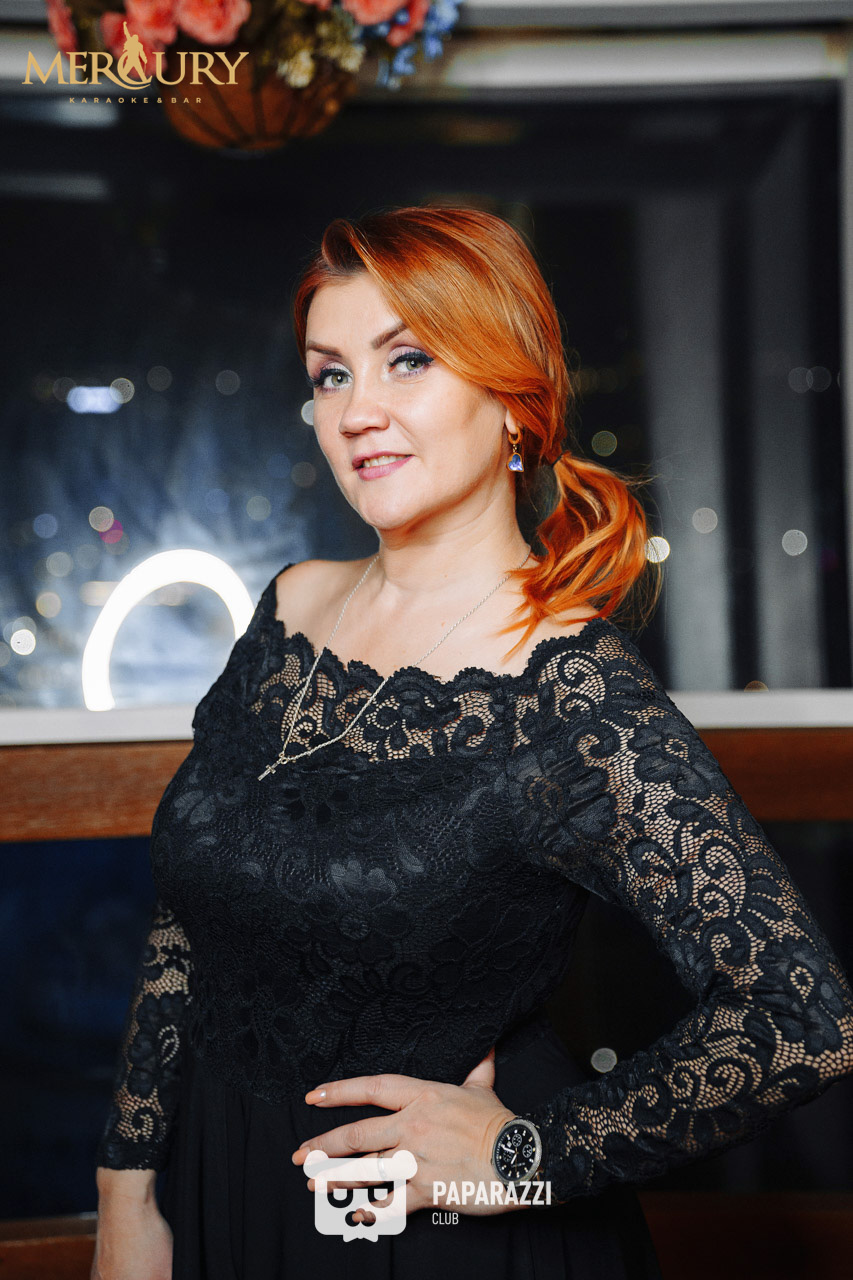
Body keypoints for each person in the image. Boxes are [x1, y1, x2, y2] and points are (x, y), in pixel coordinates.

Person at [91, 204, 853, 1280]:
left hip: (434, 1236)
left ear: (511, 399)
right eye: (330, 375)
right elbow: (192, 916)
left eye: (407, 359)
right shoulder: (292, 606)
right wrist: (126, 1189)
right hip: (223, 1184)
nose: (358, 410)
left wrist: (524, 1158)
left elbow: (802, 1016)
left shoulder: (570, 687)